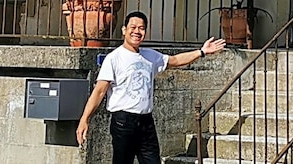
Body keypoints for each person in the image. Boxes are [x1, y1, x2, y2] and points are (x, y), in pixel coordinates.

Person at [77, 10, 226, 163]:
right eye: (133, 27)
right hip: (123, 121)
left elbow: (175, 60)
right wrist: (85, 119)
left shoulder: (150, 56)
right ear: (124, 30)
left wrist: (201, 52)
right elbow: (100, 91)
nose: (137, 31)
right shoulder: (114, 58)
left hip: (146, 121)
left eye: (141, 28)